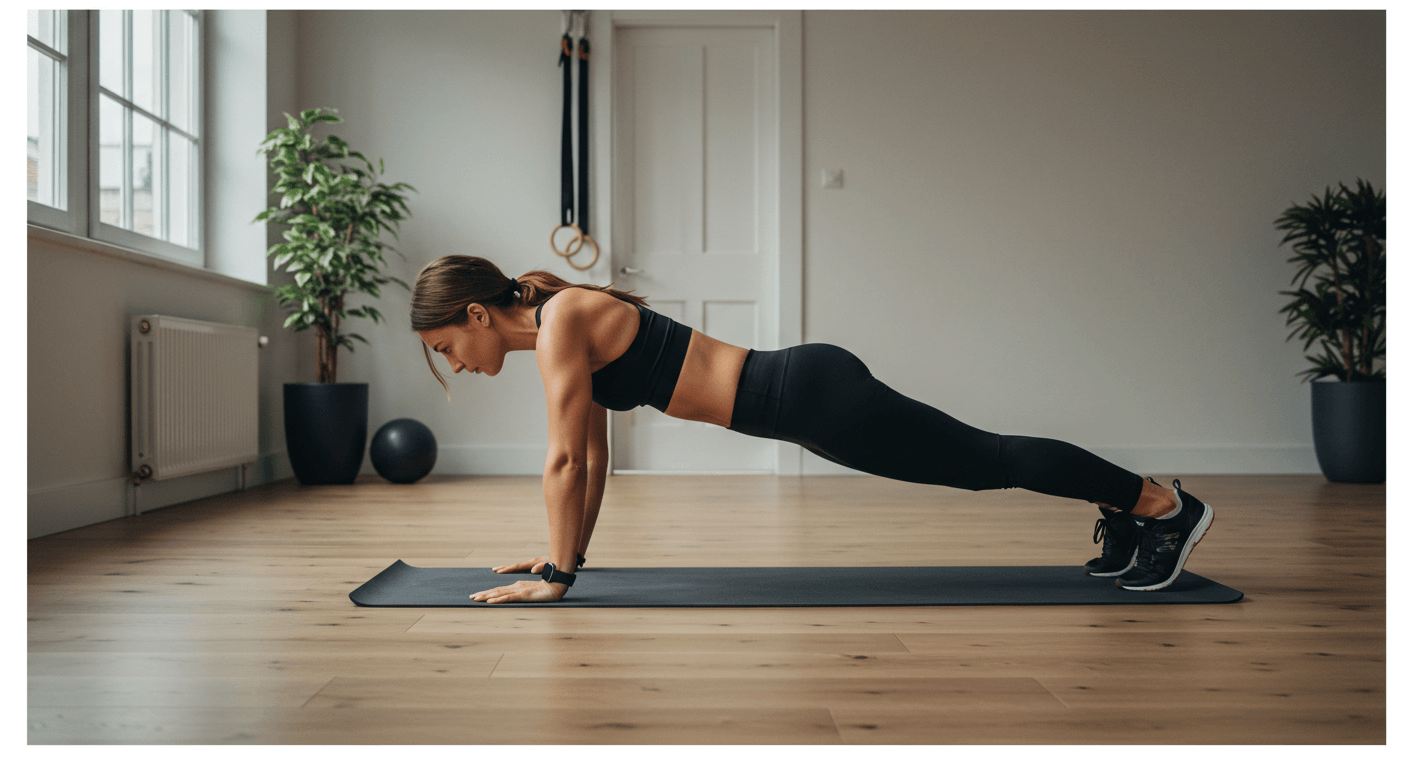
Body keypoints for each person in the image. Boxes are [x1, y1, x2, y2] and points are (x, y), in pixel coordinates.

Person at [411, 255, 1215, 604]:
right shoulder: (561, 328)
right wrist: (566, 559)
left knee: (984, 461)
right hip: (805, 405)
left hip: (813, 395)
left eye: (448, 347)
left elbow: (560, 460)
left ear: (478, 314)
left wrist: (554, 575)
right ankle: (1134, 505)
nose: (458, 364)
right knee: (979, 461)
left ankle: (1160, 506)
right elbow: (589, 458)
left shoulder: (562, 322)